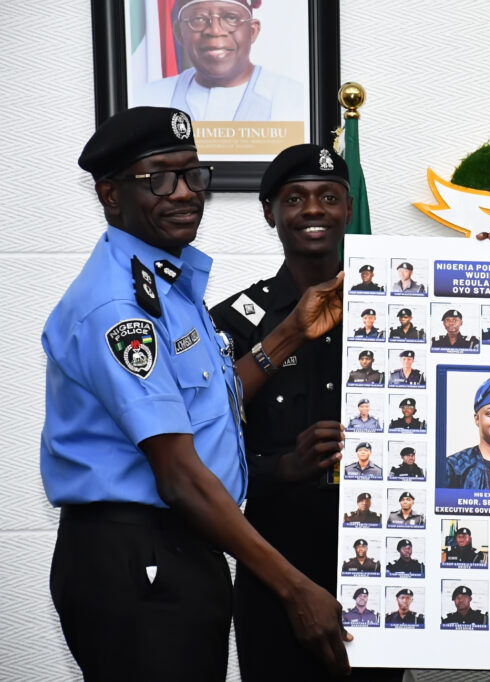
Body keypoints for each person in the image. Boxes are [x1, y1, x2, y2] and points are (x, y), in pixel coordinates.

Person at [43, 109, 349, 681]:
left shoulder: (168, 285)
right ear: (110, 195)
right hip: (140, 555)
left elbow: (211, 404)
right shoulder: (122, 308)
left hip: (182, 549)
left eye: (192, 174)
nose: (184, 193)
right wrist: (294, 587)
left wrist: (288, 334)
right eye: (159, 178)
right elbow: (179, 476)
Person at [210, 142, 400, 681]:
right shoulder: (235, 322)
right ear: (269, 212)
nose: (313, 209)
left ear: (349, 208)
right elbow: (201, 448)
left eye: (329, 197)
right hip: (277, 562)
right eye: (294, 198)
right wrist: (283, 467)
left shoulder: (398, 310)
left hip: (385, 561)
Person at [133, 0, 304, 122]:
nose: (215, 31)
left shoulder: (295, 100)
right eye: (198, 19)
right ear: (179, 33)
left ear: (252, 31)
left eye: (231, 18)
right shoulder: (145, 100)